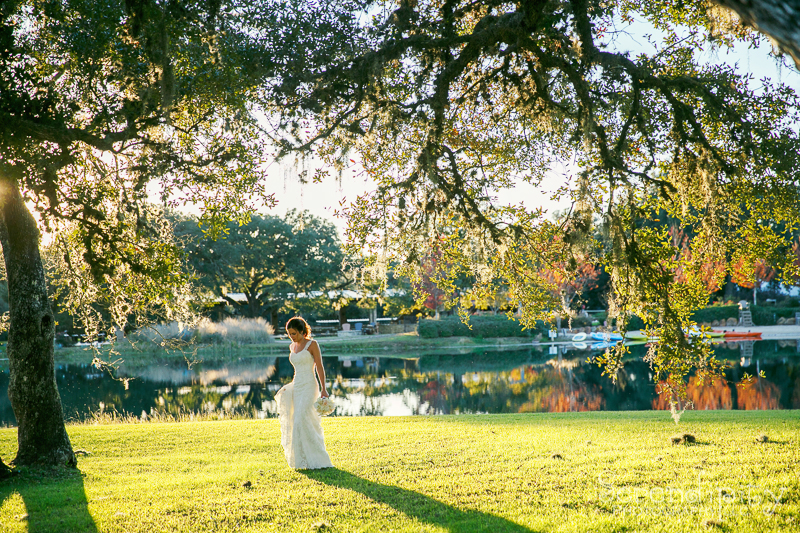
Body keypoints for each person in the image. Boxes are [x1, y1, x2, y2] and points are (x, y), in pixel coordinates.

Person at [274, 316, 333, 469]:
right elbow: (297, 369)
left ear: (302, 331)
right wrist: (290, 386)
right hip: (297, 385)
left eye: (294, 333)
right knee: (295, 420)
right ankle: (302, 460)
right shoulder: (292, 347)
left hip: (309, 385)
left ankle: (319, 459)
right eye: (289, 333)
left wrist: (324, 389)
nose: (291, 336)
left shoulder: (312, 344)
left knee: (302, 418)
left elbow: (319, 367)